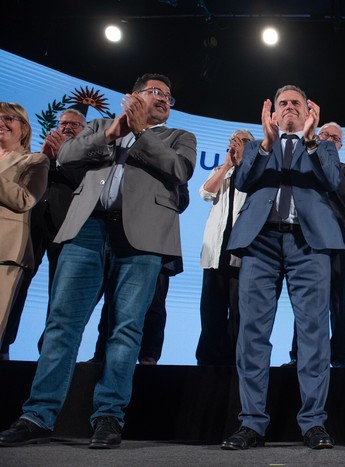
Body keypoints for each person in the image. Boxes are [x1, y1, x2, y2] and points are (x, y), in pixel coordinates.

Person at [0, 73, 196, 449]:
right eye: (155, 92)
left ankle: (108, 417)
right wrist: (113, 133)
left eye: (169, 96)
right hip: (87, 230)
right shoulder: (100, 126)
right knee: (62, 324)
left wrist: (138, 134)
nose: (164, 100)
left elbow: (179, 169)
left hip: (143, 239)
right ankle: (37, 415)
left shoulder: (179, 137)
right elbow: (68, 156)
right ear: (133, 96)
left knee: (125, 331)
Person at [222, 85, 343, 450]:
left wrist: (309, 141)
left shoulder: (321, 145)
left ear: (309, 111)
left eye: (296, 103)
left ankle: (313, 423)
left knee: (314, 334)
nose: (289, 107)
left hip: (309, 244)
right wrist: (263, 144)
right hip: (261, 243)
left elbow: (332, 182)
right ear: (273, 113)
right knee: (253, 335)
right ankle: (252, 424)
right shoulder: (261, 145)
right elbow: (242, 182)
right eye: (283, 104)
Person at [0, 109, 83, 359]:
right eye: (63, 123)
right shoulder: (33, 156)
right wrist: (45, 157)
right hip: (32, 225)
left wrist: (63, 157)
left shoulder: (86, 158)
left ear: (85, 130)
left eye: (75, 125)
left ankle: (47, 354)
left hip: (65, 228)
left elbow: (89, 187)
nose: (67, 127)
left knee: (59, 292)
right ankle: (4, 343)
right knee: (16, 286)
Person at [89, 182, 189, 365]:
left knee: (155, 304)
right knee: (112, 301)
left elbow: (182, 201)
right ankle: (101, 354)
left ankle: (148, 355)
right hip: (125, 240)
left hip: (159, 242)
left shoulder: (175, 168)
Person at [283, 122, 345, 368]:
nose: (328, 140)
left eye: (334, 138)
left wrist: (329, 165)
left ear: (340, 145)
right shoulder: (304, 166)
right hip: (309, 240)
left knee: (339, 300)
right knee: (306, 299)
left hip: (340, 243)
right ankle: (300, 355)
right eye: (324, 135)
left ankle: (339, 355)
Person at [196, 129, 253, 365]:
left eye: (242, 141)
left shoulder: (253, 174)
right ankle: (208, 361)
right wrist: (227, 165)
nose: (236, 144)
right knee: (211, 312)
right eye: (233, 140)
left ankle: (235, 362)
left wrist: (242, 163)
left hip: (242, 256)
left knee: (240, 314)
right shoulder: (221, 171)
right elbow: (205, 193)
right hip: (215, 253)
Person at [0, 102, 49, 342]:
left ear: (25, 128)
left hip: (5, 254)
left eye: (9, 118)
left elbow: (25, 199)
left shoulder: (35, 160)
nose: (1, 123)